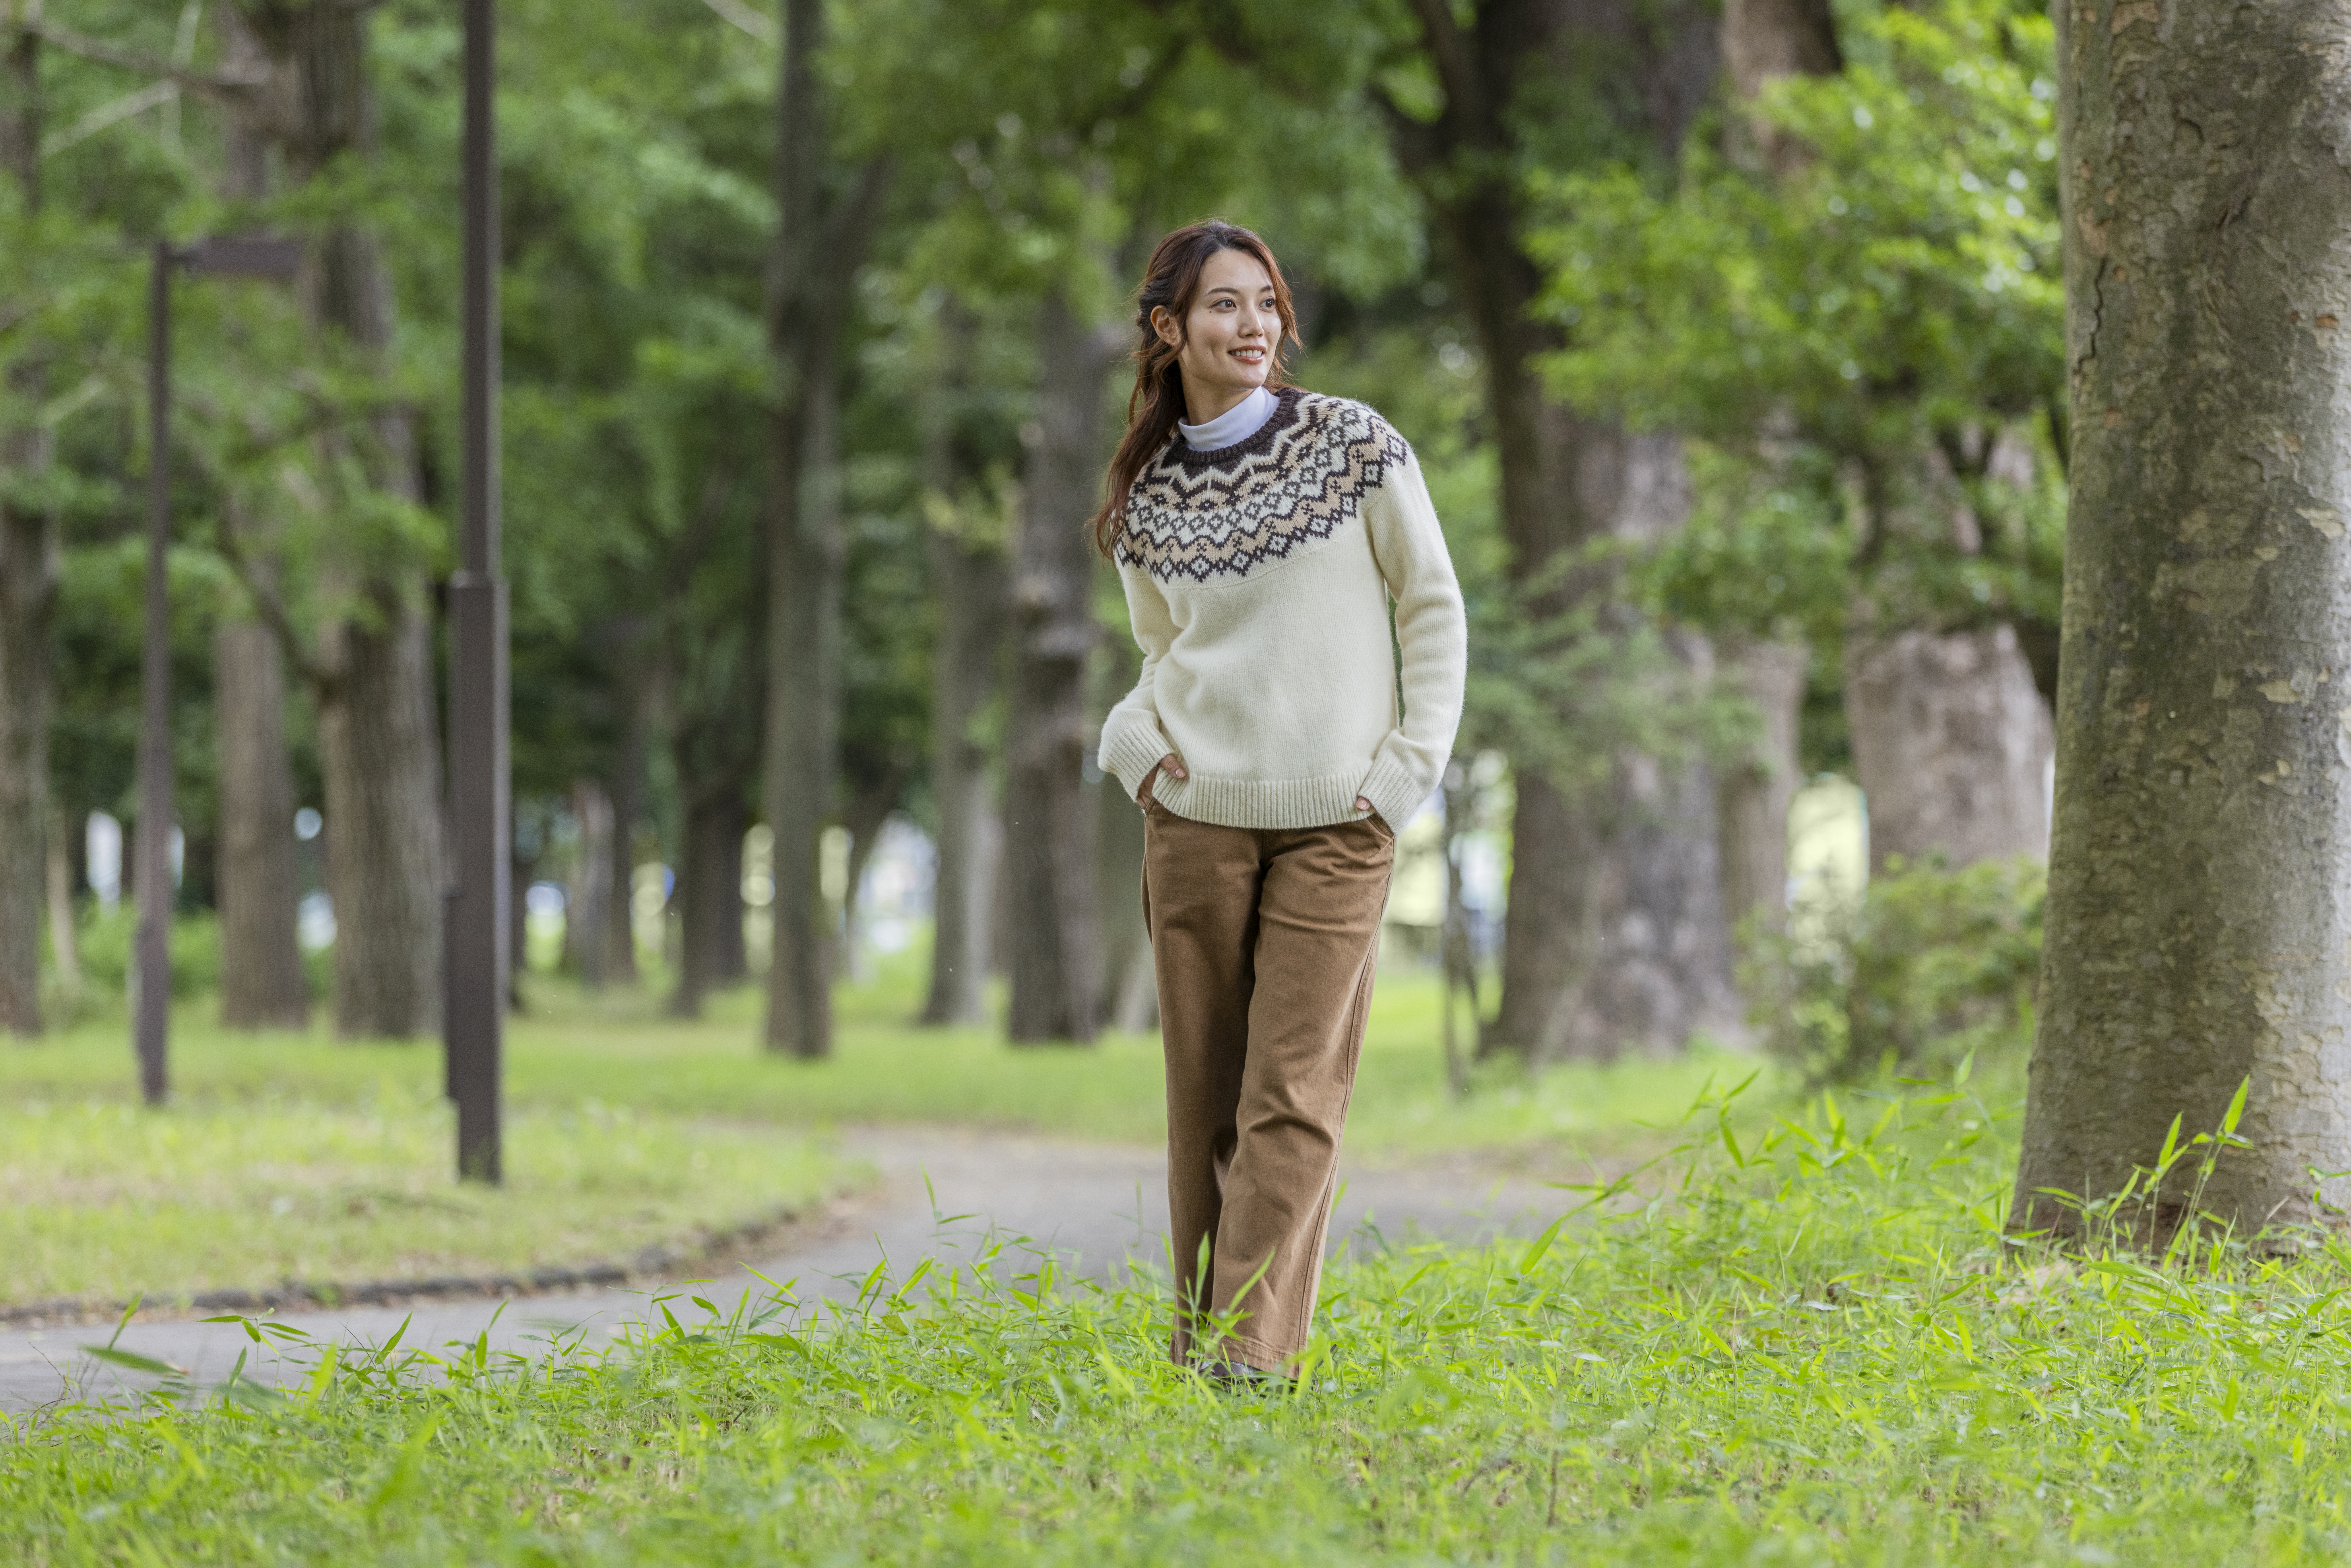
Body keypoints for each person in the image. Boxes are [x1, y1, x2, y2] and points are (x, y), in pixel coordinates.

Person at [1094, 220, 1467, 1383]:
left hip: (1338, 821)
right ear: (1167, 328)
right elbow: (1163, 657)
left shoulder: (1353, 444)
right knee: (1203, 1106)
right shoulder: (1143, 496)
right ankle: (1201, 1342)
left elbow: (1433, 607)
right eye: (1222, 306)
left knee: (1291, 1095)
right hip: (1195, 817)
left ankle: (1245, 1361)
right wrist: (1136, 749)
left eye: (1264, 303)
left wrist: (1403, 773)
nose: (1251, 326)